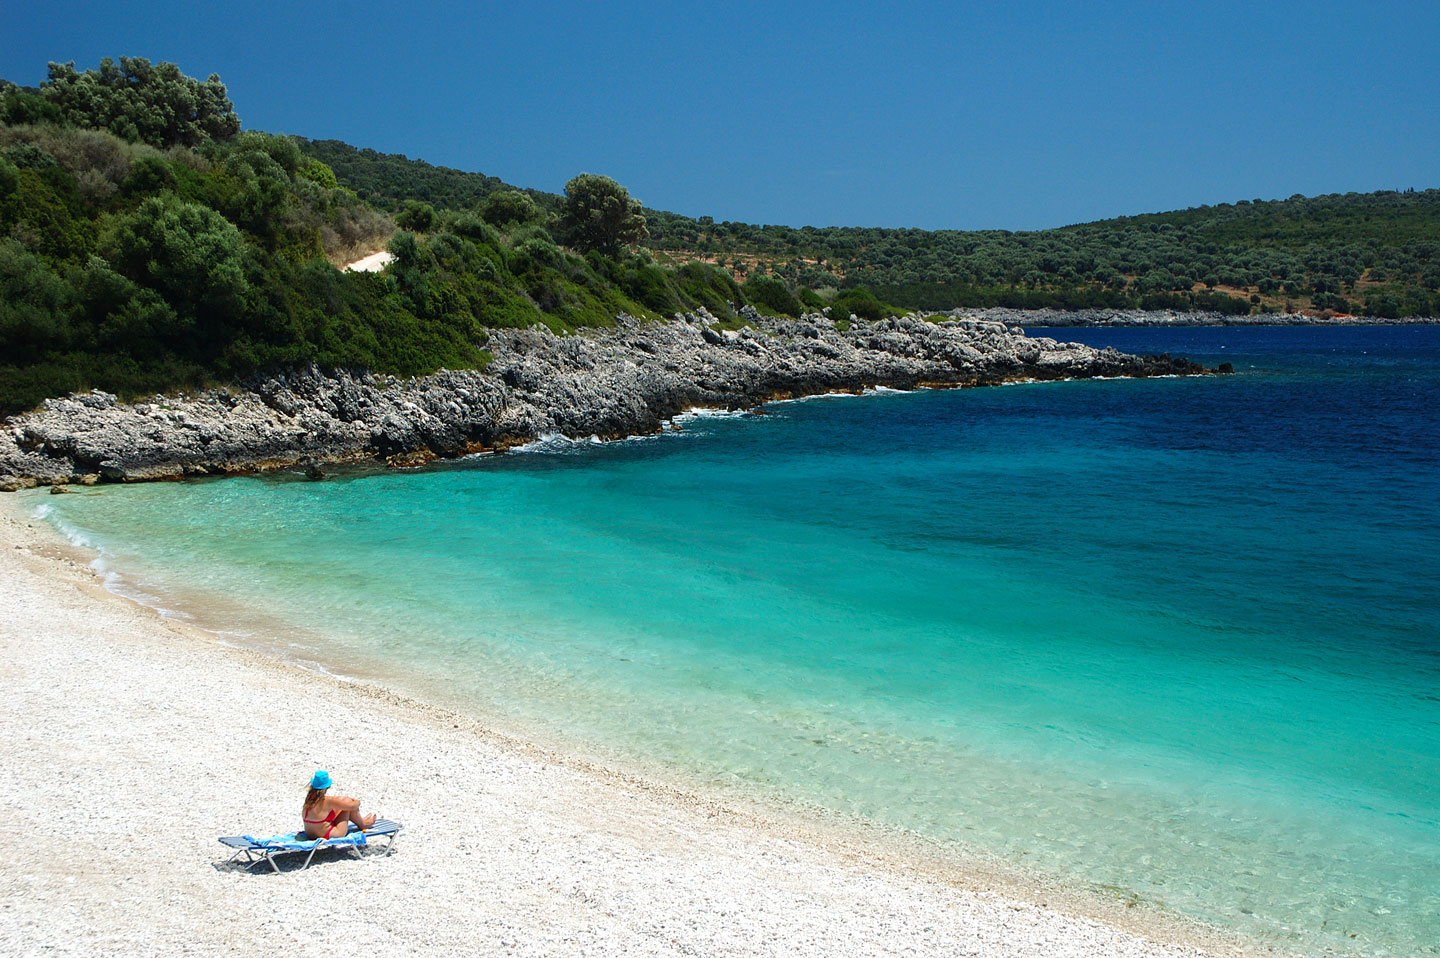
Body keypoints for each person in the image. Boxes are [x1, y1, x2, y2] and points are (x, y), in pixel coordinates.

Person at [301, 770, 377, 839]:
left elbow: (333, 801)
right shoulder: (328, 801)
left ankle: (362, 822)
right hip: (329, 834)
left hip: (311, 834)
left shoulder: (309, 800)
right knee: (347, 804)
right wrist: (357, 801)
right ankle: (362, 824)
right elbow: (353, 806)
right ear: (328, 786)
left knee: (343, 802)